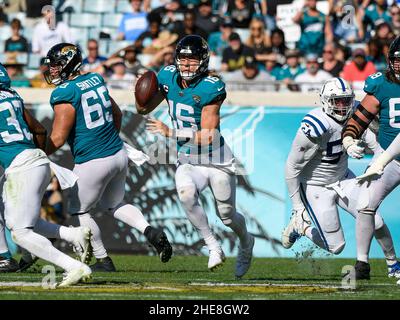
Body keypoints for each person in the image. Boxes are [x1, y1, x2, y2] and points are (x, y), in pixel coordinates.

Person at [42, 43, 172, 272]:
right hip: (118, 153)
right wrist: (110, 140)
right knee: (114, 203)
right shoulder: (95, 80)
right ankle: (150, 231)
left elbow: (59, 137)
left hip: (93, 159)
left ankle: (103, 260)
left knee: (80, 210)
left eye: (56, 65)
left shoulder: (64, 92)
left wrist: (36, 153)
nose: (52, 70)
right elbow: (117, 113)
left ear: (69, 64)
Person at [143, 35, 255, 278]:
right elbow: (144, 107)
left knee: (226, 216)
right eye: (182, 59)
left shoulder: (211, 86)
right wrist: (141, 95)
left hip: (216, 159)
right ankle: (213, 246)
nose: (186, 65)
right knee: (185, 194)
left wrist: (170, 132)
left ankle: (246, 243)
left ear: (203, 61)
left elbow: (208, 135)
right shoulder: (167, 76)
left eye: (192, 60)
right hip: (188, 158)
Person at [282, 77, 400, 278]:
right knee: (336, 246)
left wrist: (372, 156)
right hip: (315, 185)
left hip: (344, 178)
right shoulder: (316, 124)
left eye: (346, 100)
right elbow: (292, 167)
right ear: (326, 100)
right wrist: (297, 207)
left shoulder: (356, 111)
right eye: (337, 101)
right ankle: (301, 228)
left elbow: (375, 145)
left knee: (375, 219)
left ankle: (393, 264)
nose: (343, 105)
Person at [0, 63, 93, 286]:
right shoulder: (12, 96)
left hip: (21, 167)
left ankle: (74, 267)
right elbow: (40, 130)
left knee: (21, 232)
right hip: (37, 160)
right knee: (20, 220)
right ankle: (73, 235)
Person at [342, 35, 400, 280]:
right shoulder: (381, 84)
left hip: (387, 158)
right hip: (392, 160)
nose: (399, 65)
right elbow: (359, 118)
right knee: (365, 205)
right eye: (397, 60)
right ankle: (363, 263)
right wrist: (348, 138)